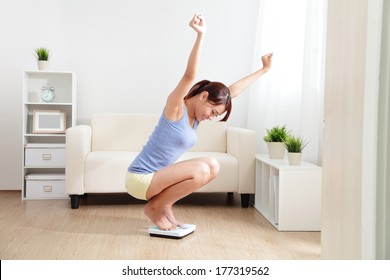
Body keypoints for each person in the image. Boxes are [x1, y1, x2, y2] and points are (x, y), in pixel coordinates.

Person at [126, 14, 273, 230]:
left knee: (213, 165)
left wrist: (264, 70)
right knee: (204, 169)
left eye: (216, 115)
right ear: (203, 96)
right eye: (213, 111)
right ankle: (155, 207)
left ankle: (164, 205)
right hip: (141, 179)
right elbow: (189, 75)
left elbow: (232, 92)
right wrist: (201, 35)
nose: (211, 117)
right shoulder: (176, 108)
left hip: (157, 179)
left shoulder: (197, 117)